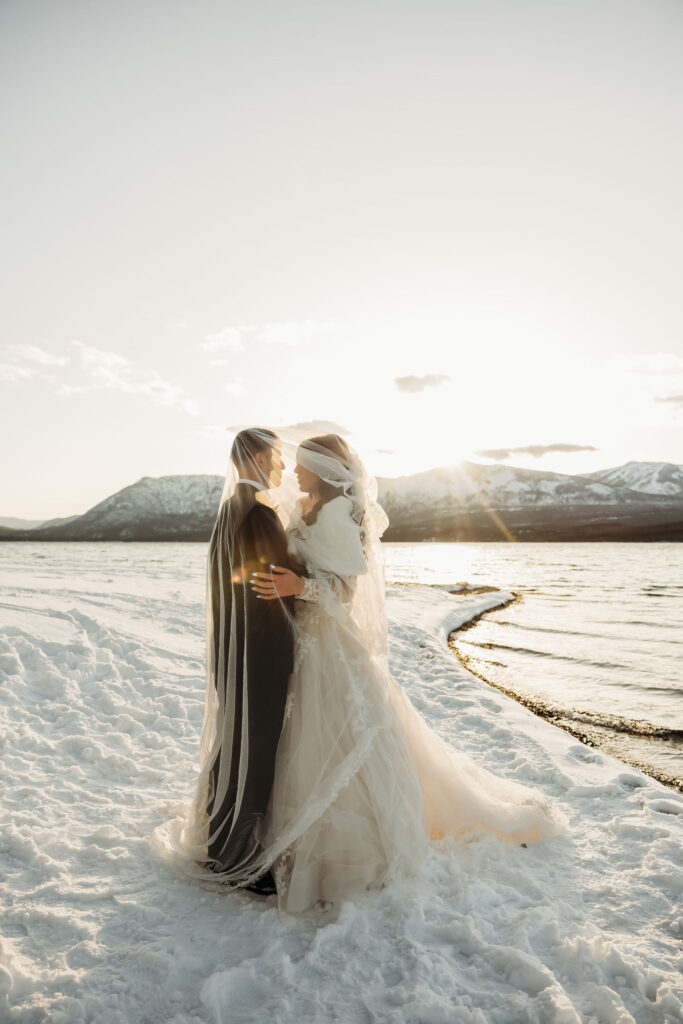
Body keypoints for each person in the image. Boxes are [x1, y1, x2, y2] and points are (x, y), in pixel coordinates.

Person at [153, 429, 566, 911]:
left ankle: (327, 846)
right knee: (297, 744)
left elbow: (344, 593)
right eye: (291, 460)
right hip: (299, 643)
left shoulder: (334, 516)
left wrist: (300, 587)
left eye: (304, 463)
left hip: (324, 644)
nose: (295, 469)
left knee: (332, 740)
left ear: (327, 470)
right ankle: (263, 837)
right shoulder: (295, 511)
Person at [201, 427, 295, 895]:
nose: (281, 467)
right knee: (255, 751)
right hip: (260, 653)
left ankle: (220, 840)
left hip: (234, 652)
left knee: (235, 742)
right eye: (276, 457)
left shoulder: (229, 512)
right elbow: (270, 590)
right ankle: (238, 859)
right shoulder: (258, 515)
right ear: (257, 457)